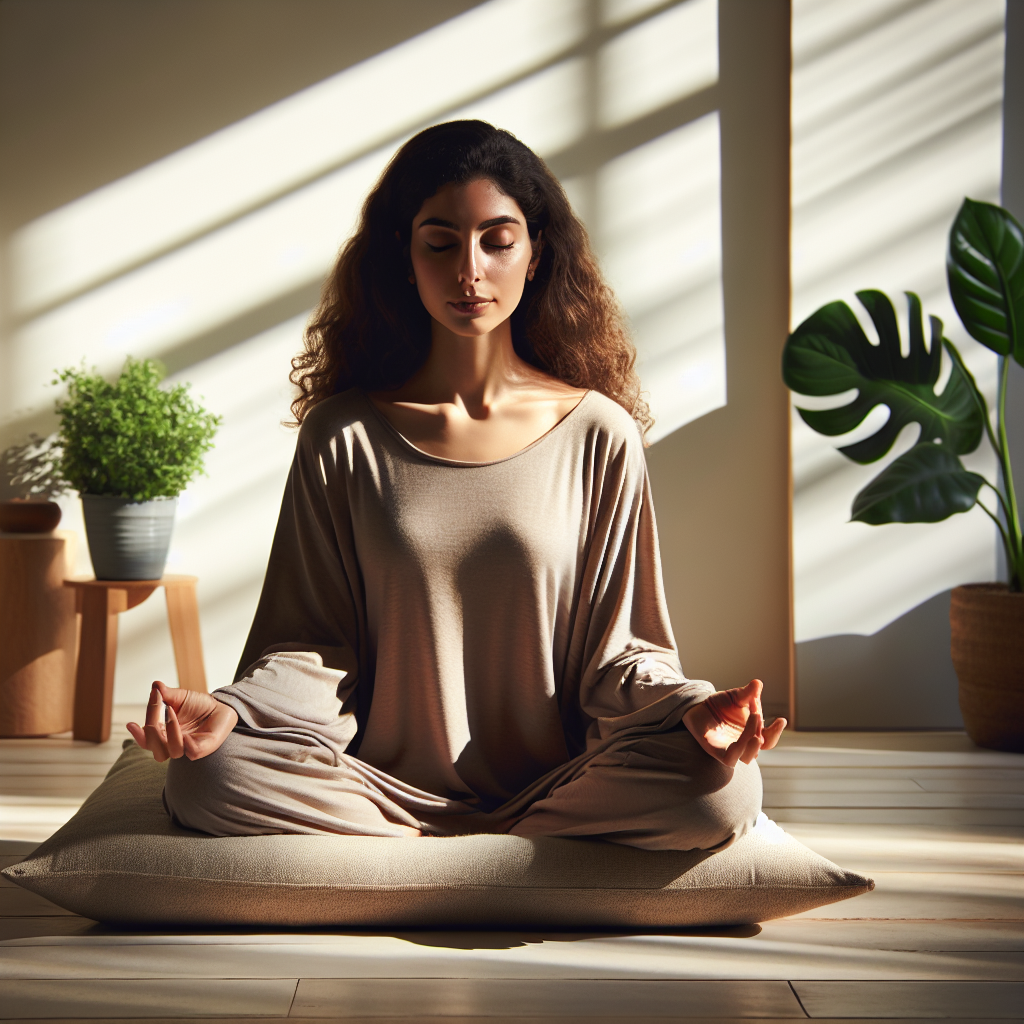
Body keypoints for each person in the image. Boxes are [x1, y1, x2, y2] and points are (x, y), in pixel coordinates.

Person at [128, 120, 786, 851]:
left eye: (497, 241)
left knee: (725, 789)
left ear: (535, 255)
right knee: (205, 778)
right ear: (405, 261)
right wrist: (233, 713)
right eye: (440, 243)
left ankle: (449, 850)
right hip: (370, 783)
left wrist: (691, 708)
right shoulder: (343, 437)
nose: (469, 271)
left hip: (563, 780)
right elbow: (309, 647)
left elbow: (623, 653)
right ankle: (514, 854)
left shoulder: (599, 433)